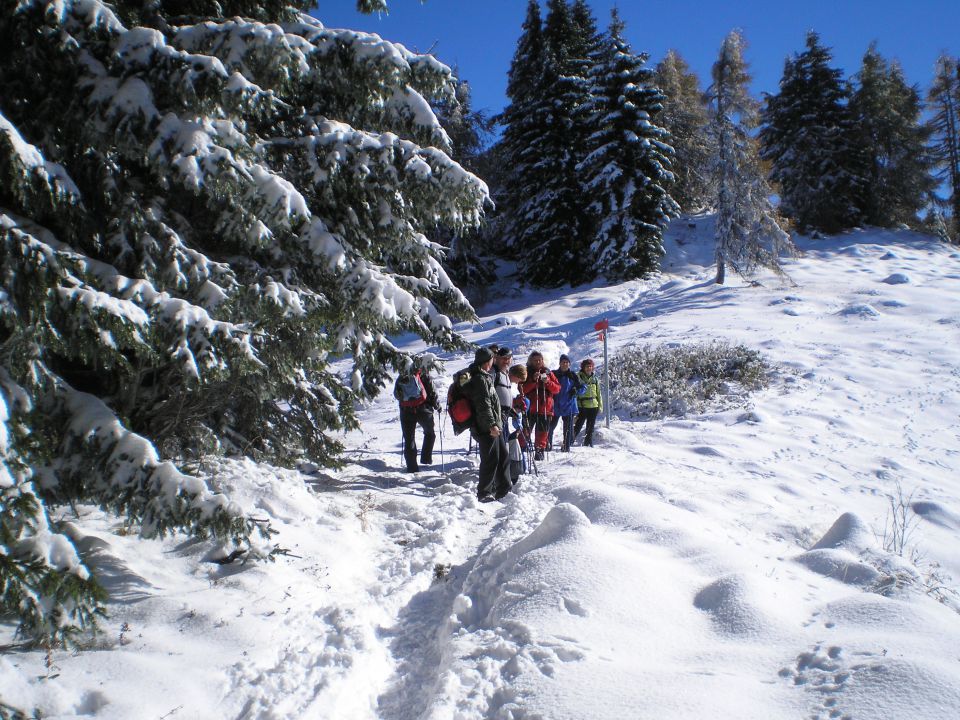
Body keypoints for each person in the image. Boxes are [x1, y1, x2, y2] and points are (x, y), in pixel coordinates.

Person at [465, 346, 512, 501]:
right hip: (485, 426)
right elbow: (483, 404)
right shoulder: (480, 378)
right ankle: (484, 493)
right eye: (492, 359)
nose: (493, 361)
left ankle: (504, 488)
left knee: (503, 455)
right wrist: (492, 424)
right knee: (490, 459)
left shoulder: (484, 376)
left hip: (491, 424)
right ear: (487, 361)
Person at [393, 358, 440, 473]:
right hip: (423, 411)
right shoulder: (423, 375)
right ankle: (426, 459)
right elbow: (432, 393)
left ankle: (412, 468)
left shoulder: (401, 378)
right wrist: (436, 406)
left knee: (409, 439)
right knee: (430, 434)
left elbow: (396, 395)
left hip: (406, 411)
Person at [520, 351, 560, 462]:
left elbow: (557, 389)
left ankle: (539, 450)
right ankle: (522, 449)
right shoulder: (527, 373)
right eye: (535, 360)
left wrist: (547, 382)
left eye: (540, 360)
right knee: (525, 430)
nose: (538, 362)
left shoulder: (548, 372)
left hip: (545, 409)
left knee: (543, 432)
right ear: (531, 361)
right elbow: (522, 389)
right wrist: (533, 380)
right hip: (530, 408)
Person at [549, 354, 584, 452]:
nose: (565, 364)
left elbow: (582, 388)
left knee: (567, 429)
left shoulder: (573, 375)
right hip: (555, 405)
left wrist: (576, 391)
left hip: (569, 406)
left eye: (567, 362)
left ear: (569, 364)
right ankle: (547, 445)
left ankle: (566, 446)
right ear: (559, 363)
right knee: (550, 427)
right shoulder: (553, 374)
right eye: (563, 362)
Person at [573, 358, 602, 447]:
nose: (589, 368)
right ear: (583, 367)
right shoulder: (578, 377)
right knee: (578, 425)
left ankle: (588, 443)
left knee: (590, 426)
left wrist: (600, 406)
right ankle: (570, 440)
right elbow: (575, 391)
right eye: (587, 366)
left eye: (590, 366)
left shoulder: (595, 379)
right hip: (582, 405)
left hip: (593, 405)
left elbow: (598, 393)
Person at [491, 346, 515, 429]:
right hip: (495, 417)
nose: (506, 361)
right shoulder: (493, 372)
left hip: (504, 415)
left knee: (504, 441)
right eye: (503, 358)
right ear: (497, 358)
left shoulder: (505, 373)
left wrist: (510, 408)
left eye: (508, 358)